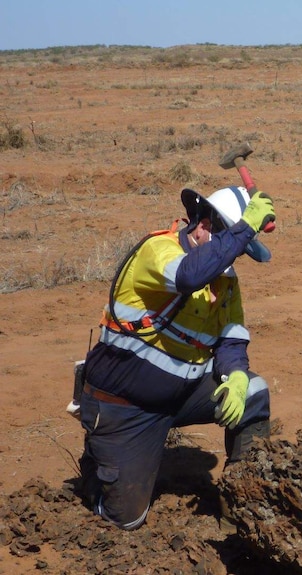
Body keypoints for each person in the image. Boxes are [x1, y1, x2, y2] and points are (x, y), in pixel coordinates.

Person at [77, 185, 276, 531]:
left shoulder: (224, 280)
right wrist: (246, 228)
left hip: (181, 396)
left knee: (254, 393)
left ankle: (244, 502)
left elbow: (230, 339)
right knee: (125, 519)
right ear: (203, 225)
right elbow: (188, 276)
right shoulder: (159, 250)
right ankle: (99, 465)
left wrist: (237, 376)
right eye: (233, 243)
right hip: (125, 403)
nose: (235, 256)